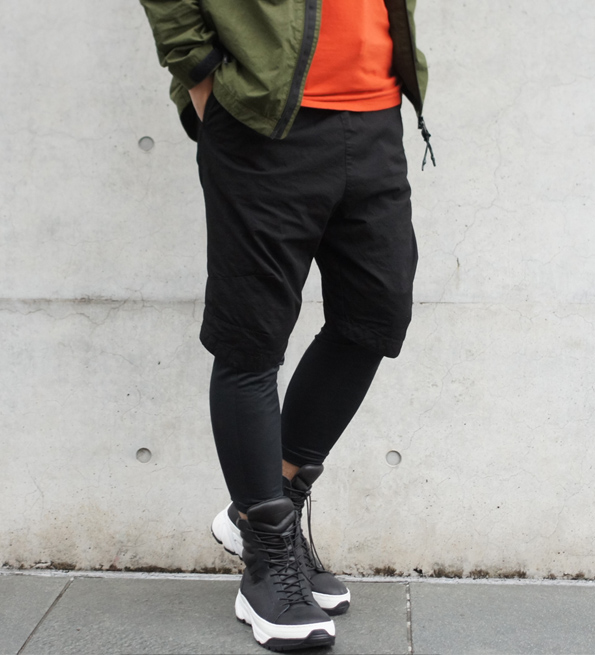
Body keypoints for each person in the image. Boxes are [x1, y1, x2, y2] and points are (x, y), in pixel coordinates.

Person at [139, 0, 433, 650]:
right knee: (252, 339)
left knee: (376, 315)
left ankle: (267, 506)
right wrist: (203, 80)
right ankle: (268, 560)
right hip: (263, 119)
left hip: (376, 113)